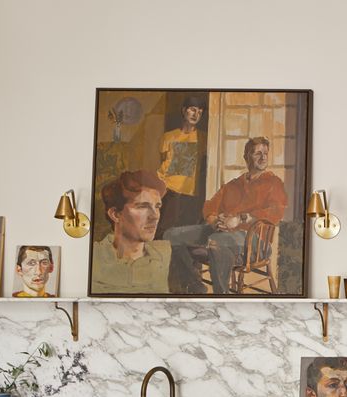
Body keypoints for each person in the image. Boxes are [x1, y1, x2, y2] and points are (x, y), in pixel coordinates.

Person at [164, 135, 288, 295]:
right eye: (258, 153)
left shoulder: (273, 183)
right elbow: (209, 207)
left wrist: (240, 219)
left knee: (217, 240)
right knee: (171, 235)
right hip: (222, 232)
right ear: (246, 157)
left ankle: (221, 295)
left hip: (254, 241)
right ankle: (194, 285)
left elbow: (276, 211)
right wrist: (215, 221)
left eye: (265, 153)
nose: (263, 157)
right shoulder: (233, 185)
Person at [91, 170, 172, 294]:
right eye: (143, 206)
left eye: (157, 207)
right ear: (115, 214)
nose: (155, 216)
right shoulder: (94, 257)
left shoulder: (166, 255)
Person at [156, 94, 206, 230]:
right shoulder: (168, 136)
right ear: (184, 110)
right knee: (164, 229)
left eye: (200, 112)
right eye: (193, 109)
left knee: (183, 232)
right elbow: (163, 161)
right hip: (169, 190)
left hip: (190, 193)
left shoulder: (203, 138)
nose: (196, 114)